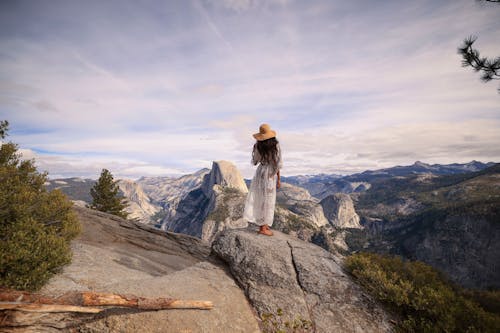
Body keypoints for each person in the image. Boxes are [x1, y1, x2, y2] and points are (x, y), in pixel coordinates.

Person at [243, 123, 282, 236]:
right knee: (268, 200)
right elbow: (278, 163)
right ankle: (263, 228)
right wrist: (278, 179)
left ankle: (262, 225)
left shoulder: (258, 146)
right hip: (270, 173)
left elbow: (255, 161)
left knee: (260, 198)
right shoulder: (276, 145)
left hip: (260, 172)